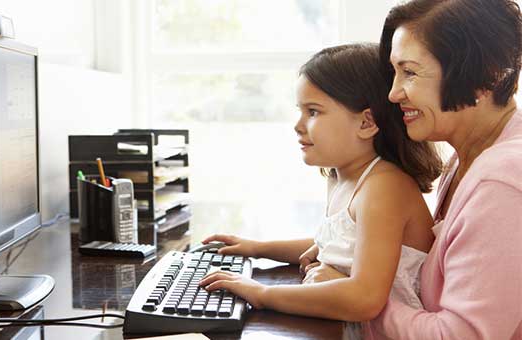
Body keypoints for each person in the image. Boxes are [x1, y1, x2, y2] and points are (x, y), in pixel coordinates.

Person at [307, 1, 522, 339]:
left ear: (488, 75)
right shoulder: (468, 158)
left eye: (409, 72)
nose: (393, 93)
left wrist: (357, 297)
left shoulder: (502, 181)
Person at [199, 43, 442, 337]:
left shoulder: (384, 187)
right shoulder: (343, 177)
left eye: (313, 112)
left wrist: (261, 294)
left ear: (367, 122)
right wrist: (257, 248)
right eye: (300, 111)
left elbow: (364, 299)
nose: (298, 126)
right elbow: (333, 241)